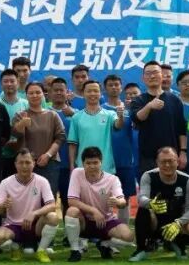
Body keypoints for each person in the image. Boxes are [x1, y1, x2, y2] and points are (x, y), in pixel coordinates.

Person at [129, 146, 189, 261]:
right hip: (155, 221)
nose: (167, 165)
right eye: (163, 162)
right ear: (157, 162)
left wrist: (178, 223)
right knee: (143, 210)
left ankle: (178, 244)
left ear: (177, 162)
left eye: (171, 161)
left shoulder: (187, 180)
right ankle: (141, 249)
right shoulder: (148, 176)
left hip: (177, 222)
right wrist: (150, 203)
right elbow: (141, 199)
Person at [64, 146, 134, 261]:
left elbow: (122, 201)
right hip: (84, 221)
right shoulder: (77, 173)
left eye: (95, 163)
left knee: (129, 237)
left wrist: (118, 202)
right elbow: (72, 201)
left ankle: (105, 244)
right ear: (83, 163)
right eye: (88, 163)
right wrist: (93, 211)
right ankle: (75, 250)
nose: (92, 166)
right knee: (72, 211)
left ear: (101, 162)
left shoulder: (112, 179)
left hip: (105, 220)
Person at [0, 149, 60, 262]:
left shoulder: (42, 181)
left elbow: (52, 205)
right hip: (13, 225)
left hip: (35, 225)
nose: (24, 166)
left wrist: (34, 213)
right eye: (21, 163)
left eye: (28, 162)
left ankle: (41, 250)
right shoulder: (6, 182)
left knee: (53, 217)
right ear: (15, 164)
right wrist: (3, 206)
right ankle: (15, 247)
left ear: (34, 163)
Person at [130, 61, 187, 174]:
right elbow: (137, 118)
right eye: (148, 73)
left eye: (155, 72)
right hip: (148, 157)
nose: (152, 76)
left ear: (162, 76)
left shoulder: (175, 100)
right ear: (143, 78)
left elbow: (181, 129)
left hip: (171, 156)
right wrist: (149, 106)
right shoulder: (138, 100)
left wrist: (183, 152)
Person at [12, 82, 66, 197]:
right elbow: (15, 134)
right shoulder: (20, 115)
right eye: (31, 93)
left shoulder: (52, 115)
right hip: (26, 164)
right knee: (26, 198)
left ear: (43, 94)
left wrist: (48, 155)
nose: (35, 95)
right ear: (26, 96)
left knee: (48, 198)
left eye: (38, 92)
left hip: (49, 163)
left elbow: (60, 137)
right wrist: (22, 124)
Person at [68, 79, 122, 176]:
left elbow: (118, 125)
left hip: (106, 167)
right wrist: (72, 165)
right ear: (83, 94)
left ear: (101, 94)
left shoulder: (110, 114)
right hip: (83, 167)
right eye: (89, 91)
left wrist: (121, 116)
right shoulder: (76, 117)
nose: (92, 93)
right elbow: (73, 144)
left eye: (96, 91)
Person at [102, 74, 135, 223]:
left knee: (124, 197)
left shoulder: (129, 109)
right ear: (105, 88)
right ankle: (103, 228)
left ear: (121, 88)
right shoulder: (101, 109)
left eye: (116, 84)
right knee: (103, 197)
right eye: (110, 85)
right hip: (106, 161)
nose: (114, 87)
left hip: (125, 160)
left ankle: (124, 228)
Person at [50, 77, 75, 211]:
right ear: (50, 93)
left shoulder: (76, 114)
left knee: (68, 202)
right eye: (56, 90)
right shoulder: (44, 111)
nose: (59, 93)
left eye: (62, 90)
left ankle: (69, 225)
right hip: (49, 164)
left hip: (69, 165)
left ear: (67, 92)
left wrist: (74, 114)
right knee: (48, 201)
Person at [0, 69, 25, 178]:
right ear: (1, 84)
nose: (9, 84)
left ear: (18, 83)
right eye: (5, 81)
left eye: (12, 81)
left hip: (21, 155)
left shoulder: (26, 104)